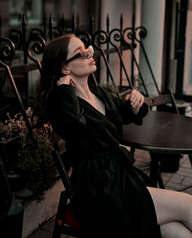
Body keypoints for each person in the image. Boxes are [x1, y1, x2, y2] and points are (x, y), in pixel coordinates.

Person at [35, 34, 192, 238]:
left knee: (178, 232)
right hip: (98, 189)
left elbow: (121, 117)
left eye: (87, 49)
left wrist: (135, 104)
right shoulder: (60, 102)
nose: (89, 54)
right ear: (65, 68)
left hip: (120, 176)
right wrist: (66, 89)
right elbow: (74, 124)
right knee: (188, 203)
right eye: (80, 54)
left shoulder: (99, 93)